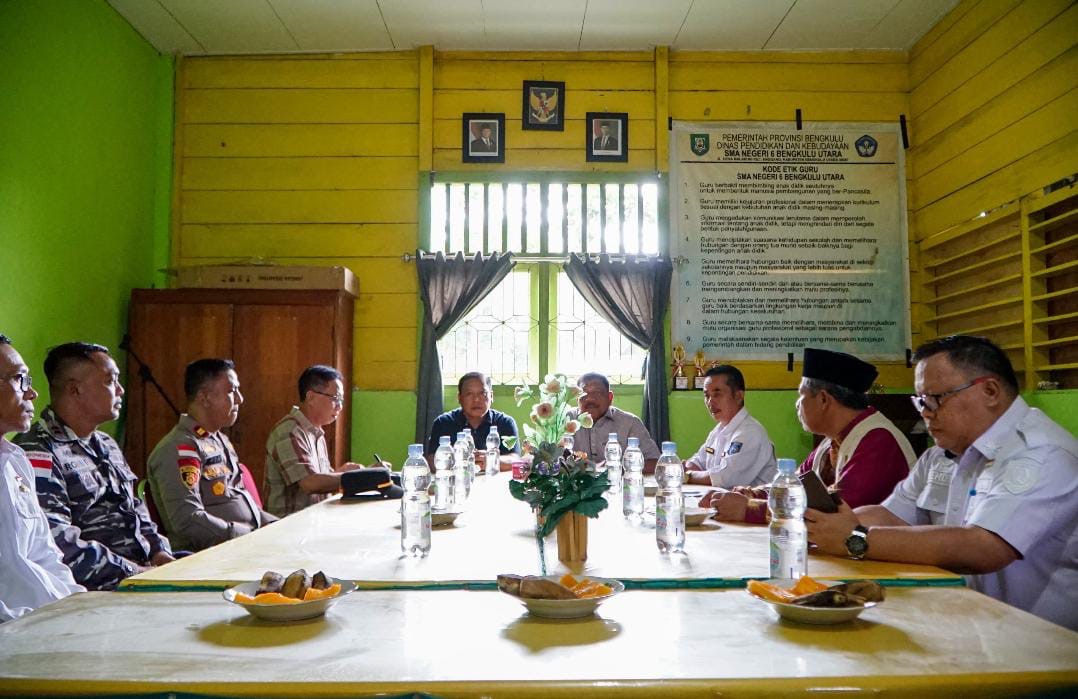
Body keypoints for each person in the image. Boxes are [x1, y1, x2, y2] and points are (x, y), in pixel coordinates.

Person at [805, 335, 1078, 630]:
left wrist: (854, 540)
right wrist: (820, 526)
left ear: (990, 391)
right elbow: (890, 515)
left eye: (936, 399)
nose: (925, 412)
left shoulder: (1041, 454)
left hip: (1036, 644)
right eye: (920, 400)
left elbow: (984, 548)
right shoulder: (941, 456)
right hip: (963, 622)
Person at [14, 343, 175, 590]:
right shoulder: (38, 452)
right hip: (95, 588)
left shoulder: (106, 444)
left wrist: (160, 553)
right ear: (75, 389)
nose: (121, 390)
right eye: (110, 381)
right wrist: (136, 572)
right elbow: (58, 543)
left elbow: (136, 509)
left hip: (141, 574)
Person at [704, 348, 914, 523]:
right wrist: (747, 494)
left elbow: (835, 513)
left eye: (801, 395)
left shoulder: (877, 441)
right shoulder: (831, 443)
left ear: (823, 399)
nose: (797, 404)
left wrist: (750, 509)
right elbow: (792, 486)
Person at [147, 358, 277, 551]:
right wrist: (246, 536)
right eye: (232, 391)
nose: (240, 399)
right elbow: (188, 520)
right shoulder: (179, 447)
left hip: (243, 543)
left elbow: (241, 501)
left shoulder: (218, 440)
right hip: (211, 553)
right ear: (205, 397)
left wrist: (280, 527)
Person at [0, 334, 83, 621]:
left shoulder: (16, 463)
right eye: (20, 379)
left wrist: (80, 605)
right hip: (17, 632)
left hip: (48, 618)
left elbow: (45, 555)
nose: (32, 393)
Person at [265, 365, 381, 517]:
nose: (340, 407)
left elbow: (320, 482)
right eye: (335, 399)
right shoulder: (289, 432)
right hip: (288, 527)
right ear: (311, 397)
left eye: (341, 400)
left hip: (313, 519)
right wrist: (367, 476)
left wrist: (352, 472)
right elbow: (310, 484)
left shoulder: (315, 432)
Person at [685, 365, 777, 488]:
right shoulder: (718, 430)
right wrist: (684, 469)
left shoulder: (750, 432)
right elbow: (697, 462)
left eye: (717, 394)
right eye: (706, 395)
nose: (710, 402)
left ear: (739, 396)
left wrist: (687, 476)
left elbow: (725, 478)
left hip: (753, 504)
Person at [426, 372, 519, 470]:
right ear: (459, 398)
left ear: (491, 396)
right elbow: (431, 462)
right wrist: (457, 459)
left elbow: (515, 459)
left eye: (482, 393)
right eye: (469, 394)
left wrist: (491, 460)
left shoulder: (505, 422)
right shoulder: (443, 423)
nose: (476, 399)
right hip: (457, 481)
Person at [571, 372, 660, 473]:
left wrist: (616, 469)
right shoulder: (564, 421)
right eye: (583, 394)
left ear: (610, 398)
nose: (590, 399)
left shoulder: (630, 423)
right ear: (577, 399)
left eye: (597, 393)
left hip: (619, 485)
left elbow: (655, 463)